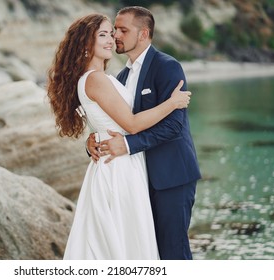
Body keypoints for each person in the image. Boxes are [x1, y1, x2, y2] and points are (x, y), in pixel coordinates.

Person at [47, 13, 191, 260]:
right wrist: (173, 102)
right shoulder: (98, 79)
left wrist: (96, 137)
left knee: (133, 240)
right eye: (103, 34)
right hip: (119, 168)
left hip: (144, 168)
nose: (112, 38)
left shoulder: (115, 78)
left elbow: (107, 120)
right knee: (124, 240)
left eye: (112, 32)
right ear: (85, 44)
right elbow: (132, 124)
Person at [87, 6, 201, 260]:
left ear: (143, 34)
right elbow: (115, 121)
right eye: (115, 29)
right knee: (146, 252)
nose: (116, 35)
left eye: (123, 30)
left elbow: (174, 126)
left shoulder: (168, 67)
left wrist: (127, 145)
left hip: (171, 176)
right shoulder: (121, 75)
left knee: (173, 251)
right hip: (137, 180)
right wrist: (92, 142)